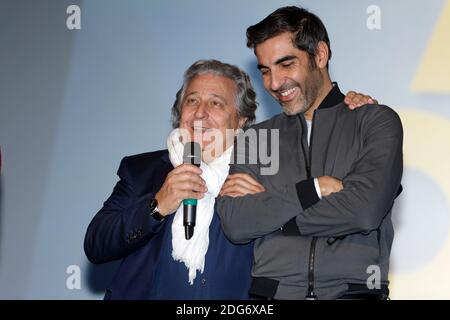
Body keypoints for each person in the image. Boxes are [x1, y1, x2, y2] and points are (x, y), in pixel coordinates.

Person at [84, 58, 378, 300]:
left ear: (241, 120)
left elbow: (337, 204)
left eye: (216, 104)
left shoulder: (269, 167)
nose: (200, 113)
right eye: (192, 100)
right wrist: (157, 206)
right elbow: (97, 244)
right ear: (179, 113)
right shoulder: (144, 169)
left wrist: (350, 114)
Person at [217, 6, 403, 300]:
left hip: (355, 293)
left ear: (320, 55)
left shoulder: (374, 121)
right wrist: (314, 190)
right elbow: (236, 224)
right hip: (269, 296)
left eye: (286, 64)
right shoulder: (258, 137)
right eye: (265, 70)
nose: (275, 83)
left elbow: (365, 212)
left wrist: (273, 219)